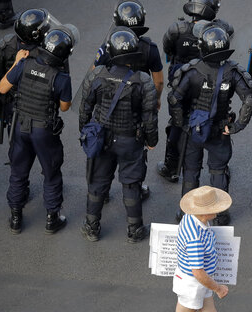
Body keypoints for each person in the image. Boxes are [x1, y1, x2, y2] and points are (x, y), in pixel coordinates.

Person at [169, 26, 252, 225]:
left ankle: (187, 213)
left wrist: (182, 123)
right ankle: (221, 215)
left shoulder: (191, 71)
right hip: (220, 129)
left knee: (191, 170)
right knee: (218, 170)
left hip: (194, 130)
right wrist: (236, 127)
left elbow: (174, 99)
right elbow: (250, 99)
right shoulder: (233, 71)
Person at [79, 28, 158, 243]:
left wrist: (85, 133)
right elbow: (149, 115)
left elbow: (85, 108)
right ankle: (135, 230)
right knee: (131, 184)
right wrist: (152, 141)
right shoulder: (143, 80)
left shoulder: (97, 74)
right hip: (130, 140)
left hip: (101, 138)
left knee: (97, 182)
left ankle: (92, 227)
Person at [0, 27, 75, 234]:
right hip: (44, 130)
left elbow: (2, 88)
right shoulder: (61, 78)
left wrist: (16, 62)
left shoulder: (24, 63)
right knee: (51, 173)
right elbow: (65, 106)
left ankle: (15, 217)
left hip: (20, 126)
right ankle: (52, 218)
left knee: (18, 172)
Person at [91, 0, 163, 201]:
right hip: (138, 103)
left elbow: (94, 75)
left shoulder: (108, 45)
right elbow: (159, 81)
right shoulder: (150, 48)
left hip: (108, 101)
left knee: (102, 147)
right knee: (136, 148)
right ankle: (135, 188)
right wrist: (154, 100)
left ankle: (100, 191)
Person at [158, 0, 222, 183]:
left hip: (180, 83)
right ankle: (217, 165)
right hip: (207, 83)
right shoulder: (219, 30)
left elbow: (167, 50)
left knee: (177, 122)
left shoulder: (177, 28)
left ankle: (171, 167)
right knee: (211, 118)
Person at [0, 8, 54, 136]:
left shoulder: (5, 45)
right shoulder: (48, 52)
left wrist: (3, 102)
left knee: (17, 148)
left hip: (14, 108)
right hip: (40, 112)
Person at [173, 186, 231, 312]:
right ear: (205, 212)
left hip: (202, 281)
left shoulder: (191, 216)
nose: (219, 210)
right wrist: (218, 288)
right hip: (193, 285)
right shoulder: (195, 239)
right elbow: (198, 273)